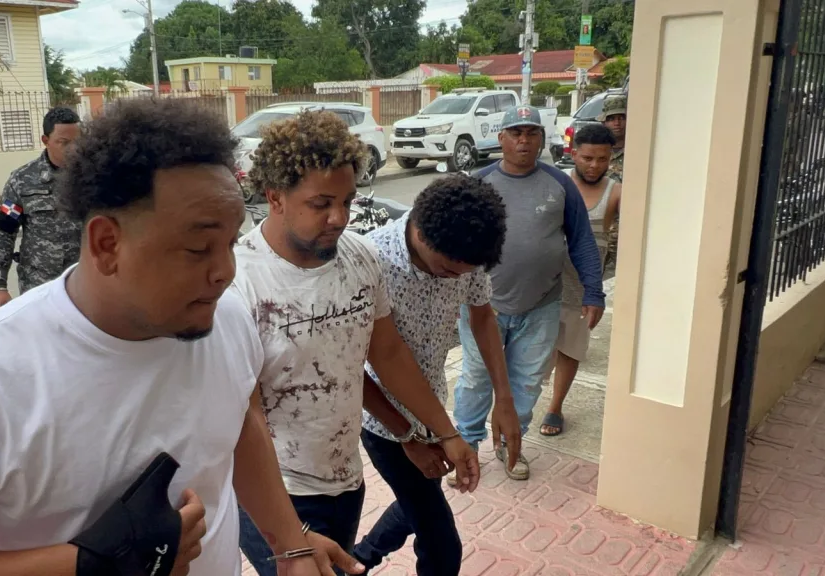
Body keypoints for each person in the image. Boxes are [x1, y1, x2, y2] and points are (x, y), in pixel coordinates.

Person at [0, 98, 359, 576]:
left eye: (230, 243)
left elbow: (238, 420)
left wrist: (289, 542)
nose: (225, 272)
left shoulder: (226, 319)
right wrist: (92, 561)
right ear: (107, 243)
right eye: (199, 249)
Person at [231, 111, 480, 576]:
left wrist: (444, 433)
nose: (339, 218)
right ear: (275, 197)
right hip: (275, 492)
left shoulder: (361, 258)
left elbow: (386, 354)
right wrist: (289, 536)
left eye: (347, 201)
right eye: (321, 203)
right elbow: (244, 420)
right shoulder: (237, 283)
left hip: (345, 481)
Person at [351, 175, 520, 575]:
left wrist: (504, 398)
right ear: (422, 234)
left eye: (465, 274)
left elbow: (482, 316)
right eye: (447, 271)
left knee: (420, 502)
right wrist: (409, 438)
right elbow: (357, 366)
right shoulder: (371, 262)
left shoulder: (466, 254)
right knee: (442, 544)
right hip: (384, 424)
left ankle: (358, 560)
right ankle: (358, 560)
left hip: (432, 415)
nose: (457, 280)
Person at [453, 105, 606, 481]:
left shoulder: (560, 184)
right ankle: (466, 448)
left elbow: (581, 240)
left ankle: (511, 445)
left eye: (532, 133)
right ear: (501, 138)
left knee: (526, 379)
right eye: (516, 133)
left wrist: (594, 291)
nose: (524, 140)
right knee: (476, 377)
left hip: (542, 304)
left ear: (542, 138)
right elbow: (453, 241)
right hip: (483, 305)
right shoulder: (478, 182)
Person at [540, 124, 622, 437]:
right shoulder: (556, 184)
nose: (594, 165)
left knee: (570, 349)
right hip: (545, 284)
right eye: (587, 158)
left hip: (583, 289)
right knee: (536, 346)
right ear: (574, 154)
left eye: (602, 159)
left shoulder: (616, 192)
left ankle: (555, 406)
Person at [0, 107, 83, 312]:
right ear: (45, 140)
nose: (73, 149)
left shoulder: (95, 176)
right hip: (39, 285)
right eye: (64, 142)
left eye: (77, 142)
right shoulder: (22, 180)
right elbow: (3, 231)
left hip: (85, 284)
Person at [597, 94, 627, 270]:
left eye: (621, 117)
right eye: (611, 118)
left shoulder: (640, 150)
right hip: (599, 228)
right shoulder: (596, 151)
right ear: (604, 122)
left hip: (626, 231)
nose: (617, 123)